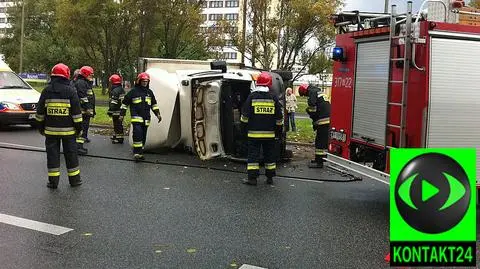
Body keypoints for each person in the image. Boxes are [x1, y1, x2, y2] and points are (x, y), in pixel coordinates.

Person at [35, 63, 83, 188]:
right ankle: (75, 181)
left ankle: (53, 182)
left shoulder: (46, 91)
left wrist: (41, 128)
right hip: (69, 132)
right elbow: (77, 114)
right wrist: (79, 129)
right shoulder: (71, 91)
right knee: (71, 155)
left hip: (50, 132)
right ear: (66, 75)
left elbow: (40, 113)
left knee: (52, 156)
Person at [240, 72, 283, 185]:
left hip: (254, 134)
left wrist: (243, 130)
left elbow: (245, 116)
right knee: (269, 156)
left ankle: (252, 179)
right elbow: (279, 117)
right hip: (269, 134)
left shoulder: (252, 97)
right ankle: (270, 178)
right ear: (269, 84)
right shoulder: (273, 98)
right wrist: (278, 132)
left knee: (253, 157)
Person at [119, 72, 161, 161]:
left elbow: (154, 104)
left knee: (143, 135)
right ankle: (136, 153)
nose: (145, 83)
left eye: (146, 81)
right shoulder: (133, 92)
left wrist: (158, 114)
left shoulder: (149, 92)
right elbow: (124, 104)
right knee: (137, 134)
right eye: (143, 81)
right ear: (139, 81)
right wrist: (122, 114)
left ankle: (140, 151)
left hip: (146, 119)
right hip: (136, 117)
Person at [298, 83, 330, 168]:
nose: (306, 96)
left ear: (305, 91)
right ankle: (319, 159)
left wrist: (309, 111)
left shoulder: (312, 92)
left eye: (305, 94)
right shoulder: (317, 91)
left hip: (323, 120)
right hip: (327, 119)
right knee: (322, 140)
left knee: (320, 142)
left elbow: (312, 108)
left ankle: (319, 162)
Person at [74, 66, 95, 155]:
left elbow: (89, 97)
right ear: (85, 74)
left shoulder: (85, 83)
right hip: (82, 111)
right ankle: (78, 147)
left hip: (86, 111)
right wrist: (87, 109)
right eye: (90, 75)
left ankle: (80, 146)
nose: (91, 76)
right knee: (81, 129)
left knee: (84, 128)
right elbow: (83, 98)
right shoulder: (81, 83)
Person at [107, 74, 125, 144]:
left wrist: (110, 110)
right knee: (118, 124)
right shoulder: (121, 89)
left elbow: (113, 103)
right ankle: (116, 135)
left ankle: (119, 139)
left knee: (117, 125)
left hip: (116, 111)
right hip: (121, 110)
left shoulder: (115, 91)